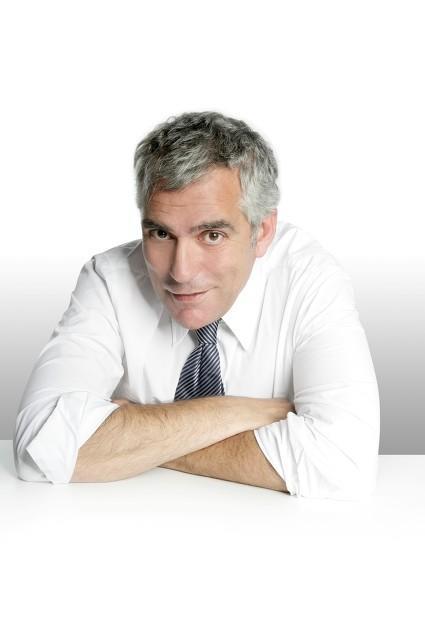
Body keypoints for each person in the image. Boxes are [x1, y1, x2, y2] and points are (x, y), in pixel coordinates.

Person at [13, 111, 380, 499]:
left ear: (262, 231)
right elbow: (40, 448)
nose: (181, 271)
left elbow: (343, 463)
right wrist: (241, 412)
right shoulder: (109, 278)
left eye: (212, 235)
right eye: (161, 233)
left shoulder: (309, 278)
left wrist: (130, 437)